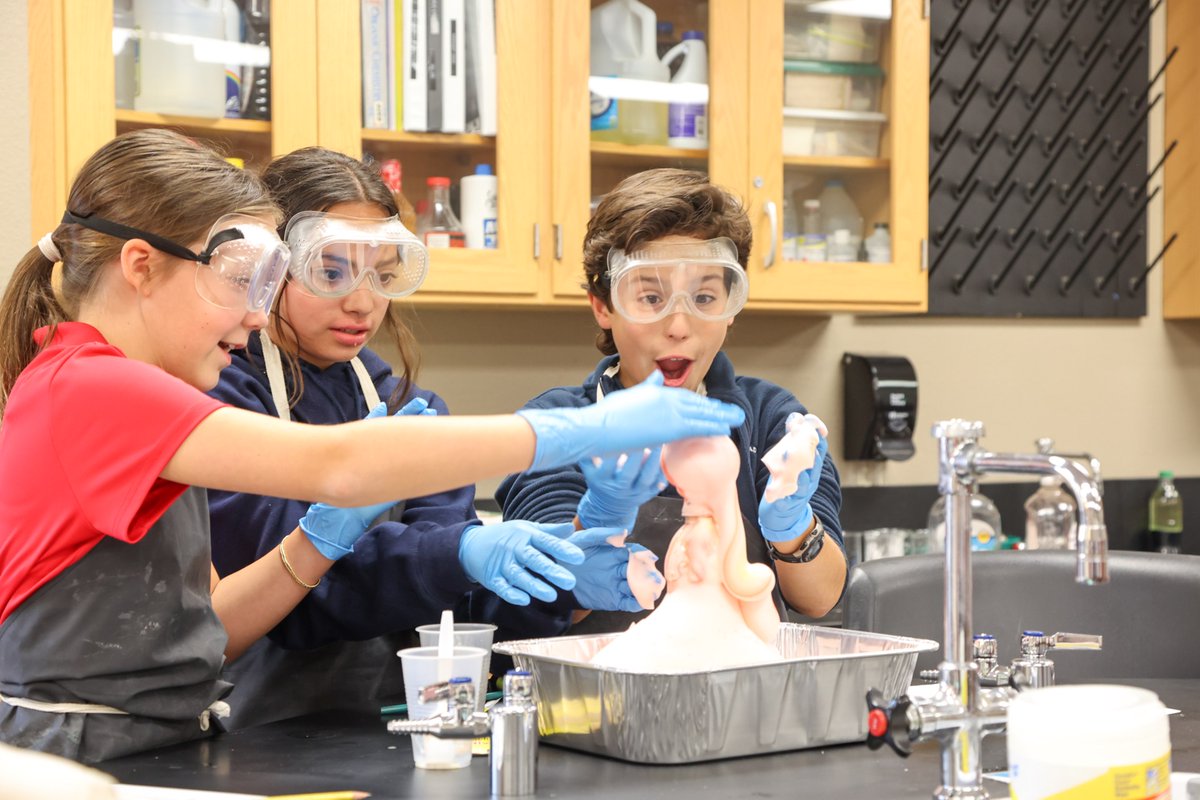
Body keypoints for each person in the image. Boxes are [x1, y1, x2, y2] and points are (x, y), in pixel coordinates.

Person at [0, 131, 745, 762]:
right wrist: (581, 430)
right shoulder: (93, 386)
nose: (255, 316)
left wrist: (315, 543)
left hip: (157, 743)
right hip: (70, 755)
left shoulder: (121, 390)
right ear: (141, 266)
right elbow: (341, 465)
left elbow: (210, 630)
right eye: (238, 280)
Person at [207, 146, 645, 728]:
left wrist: (558, 581)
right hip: (258, 736)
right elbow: (292, 605)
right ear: (270, 267)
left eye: (383, 274)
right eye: (331, 272)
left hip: (397, 724)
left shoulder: (409, 409)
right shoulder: (224, 401)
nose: (363, 301)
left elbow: (459, 608)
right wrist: (455, 552)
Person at [486, 168, 846, 638]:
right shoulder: (558, 425)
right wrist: (599, 520)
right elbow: (538, 603)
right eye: (651, 297)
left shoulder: (768, 418)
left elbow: (820, 599)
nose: (679, 326)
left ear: (731, 307)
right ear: (603, 305)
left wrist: (791, 526)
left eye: (705, 297)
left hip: (741, 679)